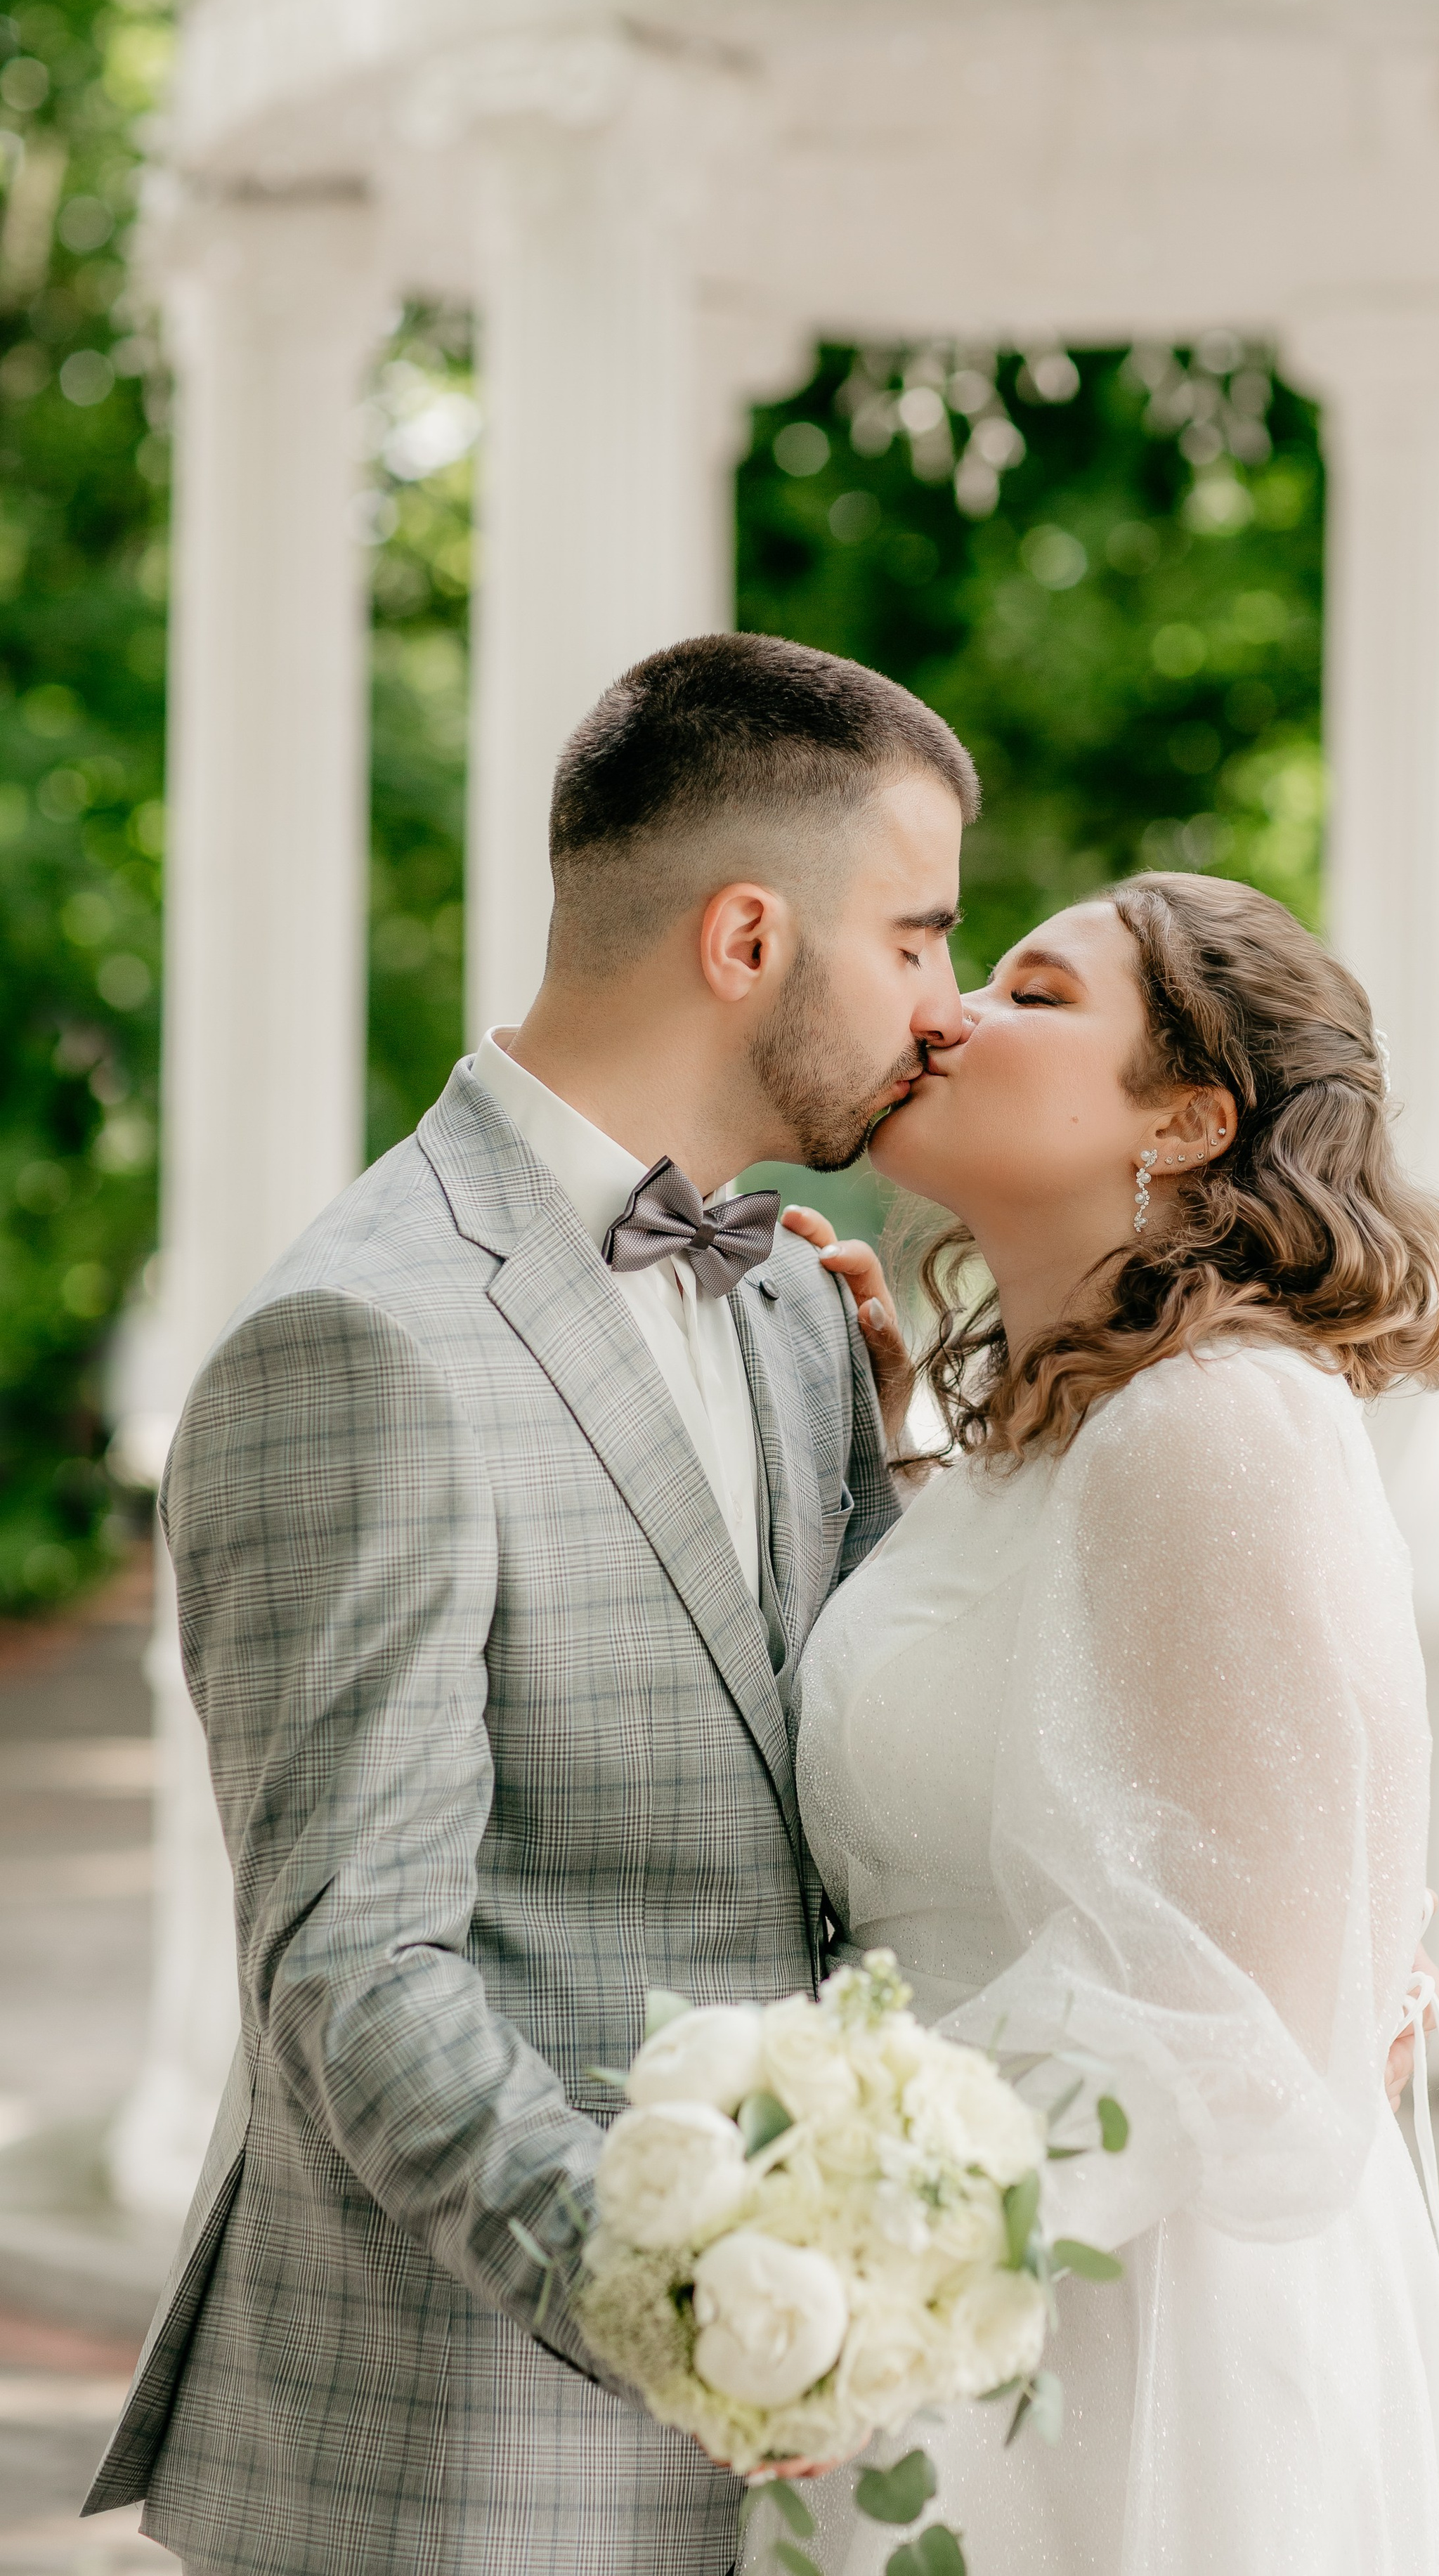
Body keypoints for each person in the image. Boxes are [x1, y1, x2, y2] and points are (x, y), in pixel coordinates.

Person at [85, 633, 974, 2576]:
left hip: (771, 2475)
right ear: (750, 937)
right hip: (464, 2459)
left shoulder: (800, 1310)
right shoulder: (360, 1335)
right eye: (915, 936)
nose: (949, 1003)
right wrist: (701, 2314)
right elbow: (357, 1967)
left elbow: (836, 1775)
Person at [792, 871, 1439, 2575]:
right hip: (955, 2320)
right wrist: (883, 1466)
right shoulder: (1023, 1460)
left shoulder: (1224, 1422)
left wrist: (843, 2258)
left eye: (1034, 993)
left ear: (1182, 1118)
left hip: (1131, 2349)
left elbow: (1245, 2021)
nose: (947, 1010)